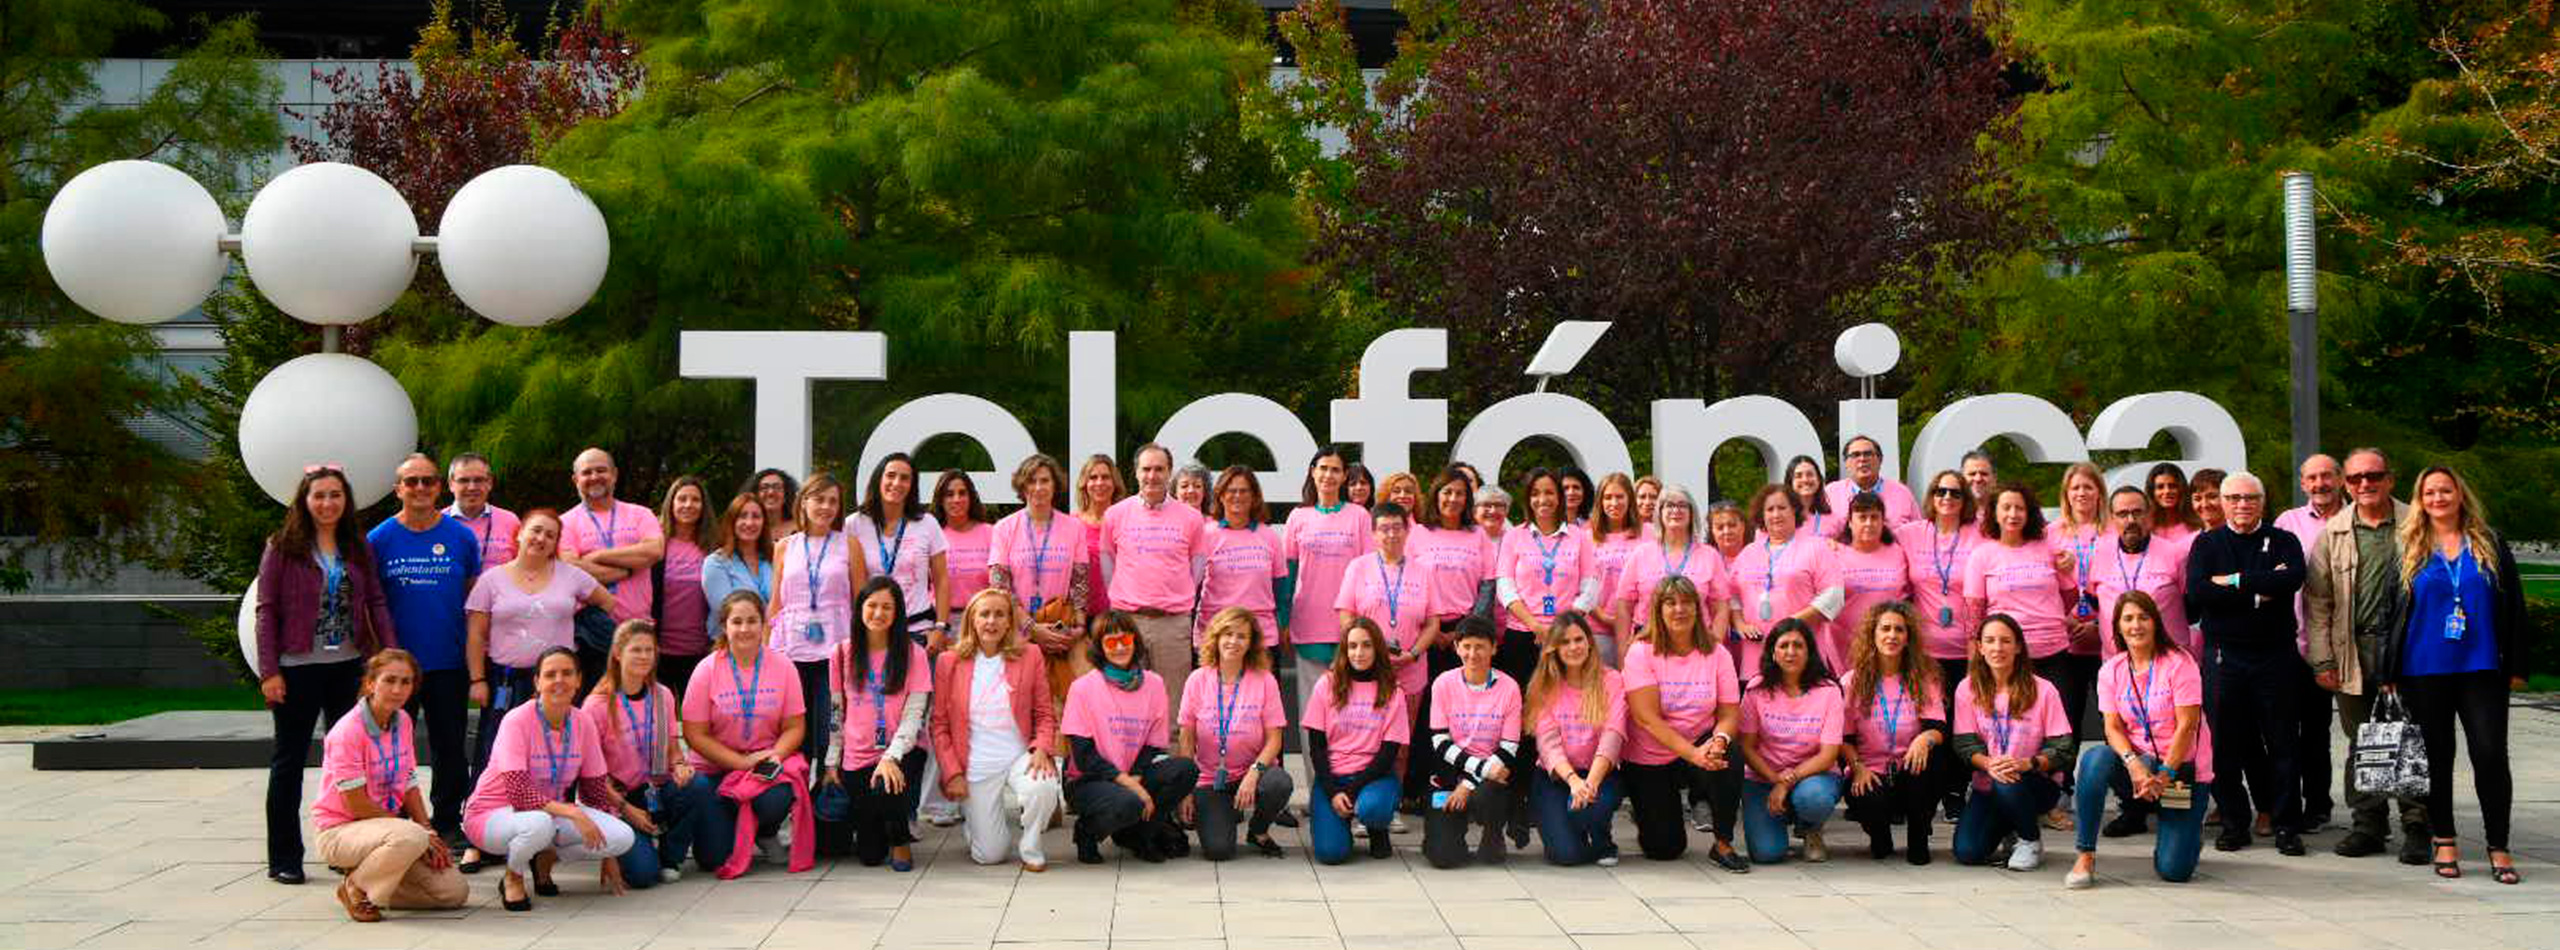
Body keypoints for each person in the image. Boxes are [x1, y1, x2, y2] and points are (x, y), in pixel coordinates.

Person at [2377, 466, 2528, 885]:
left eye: (2446, 490)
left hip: (2481, 668)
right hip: (2422, 670)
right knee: (2436, 760)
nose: (2438, 498)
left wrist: (2517, 665)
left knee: (2490, 755)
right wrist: (2385, 671)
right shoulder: (2407, 545)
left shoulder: (2489, 542)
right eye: (2430, 493)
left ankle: (2499, 845)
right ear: (2420, 499)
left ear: (2460, 495)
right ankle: (2444, 839)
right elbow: (2389, 612)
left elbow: (2514, 605)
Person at [259, 465, 401, 885]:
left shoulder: (356, 546)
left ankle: (348, 848)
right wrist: (270, 671)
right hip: (297, 669)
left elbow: (375, 600)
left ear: (346, 500)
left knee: (352, 763)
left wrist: (390, 655)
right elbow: (267, 610)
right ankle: (284, 857)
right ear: (304, 500)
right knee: (289, 762)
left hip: (349, 669)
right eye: (319, 495)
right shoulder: (282, 546)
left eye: (335, 495)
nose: (327, 503)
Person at [460, 509, 613, 873]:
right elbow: (476, 634)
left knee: (557, 762)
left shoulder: (571, 575)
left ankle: (547, 840)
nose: (541, 538)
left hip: (556, 682)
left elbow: (607, 603)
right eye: (535, 531)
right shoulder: (492, 579)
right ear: (519, 535)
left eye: (549, 535)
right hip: (507, 681)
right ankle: (478, 842)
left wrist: (583, 635)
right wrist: (477, 679)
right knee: (491, 760)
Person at [2305, 448, 2431, 862]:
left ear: (2390, 479)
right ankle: (2368, 825)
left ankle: (2417, 825)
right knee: (2364, 741)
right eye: (2356, 478)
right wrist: (2322, 661)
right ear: (2346, 483)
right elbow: (2318, 602)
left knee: (2411, 740)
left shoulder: (2418, 523)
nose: (2365, 484)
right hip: (2353, 650)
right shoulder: (2335, 531)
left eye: (2373, 476)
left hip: (2410, 652)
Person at [2185, 471, 2310, 856]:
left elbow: (2291, 579)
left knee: (2283, 741)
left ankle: (2287, 823)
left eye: (2250, 498)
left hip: (2276, 654)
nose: (2242, 505)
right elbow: (2200, 590)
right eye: (2234, 498)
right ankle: (2235, 822)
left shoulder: (2284, 540)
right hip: (2225, 656)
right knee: (2224, 743)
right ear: (2222, 503)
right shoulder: (2206, 544)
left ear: (2262, 501)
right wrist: (2257, 589)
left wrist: (2233, 582)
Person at [367, 454, 482, 854]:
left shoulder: (462, 538)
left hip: (448, 662)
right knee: (391, 749)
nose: (419, 489)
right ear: (397, 488)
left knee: (449, 747)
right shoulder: (378, 539)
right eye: (411, 481)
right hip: (396, 671)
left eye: (428, 482)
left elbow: (471, 596)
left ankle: (448, 822)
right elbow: (369, 602)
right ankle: (393, 823)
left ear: (439, 487)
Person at [463, 647, 635, 911]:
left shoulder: (582, 721)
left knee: (622, 837)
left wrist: (607, 854)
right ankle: (513, 875)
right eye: (550, 674)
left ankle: (547, 857)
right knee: (539, 824)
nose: (559, 680)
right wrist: (572, 812)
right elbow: (519, 792)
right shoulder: (516, 720)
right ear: (537, 682)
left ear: (579, 680)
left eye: (567, 673)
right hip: (492, 815)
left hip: (547, 813)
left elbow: (595, 790)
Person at [2067, 592, 2211, 887]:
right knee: (2095, 759)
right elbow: (2112, 728)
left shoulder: (2180, 663)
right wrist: (2133, 765)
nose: (2136, 625)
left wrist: (2164, 774)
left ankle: (2186, 834)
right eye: (2128, 619)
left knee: (2174, 871)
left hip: (2178, 770)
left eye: (2143, 617)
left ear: (2156, 623)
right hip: (2138, 767)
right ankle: (2085, 854)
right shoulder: (2112, 669)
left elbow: (2187, 726)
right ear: (2117, 627)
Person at [313, 649, 468, 920]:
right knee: (411, 837)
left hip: (387, 829)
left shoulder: (403, 721)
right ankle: (356, 889)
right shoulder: (348, 731)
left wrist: (428, 831)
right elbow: (357, 803)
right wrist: (417, 833)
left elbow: (408, 781)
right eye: (389, 680)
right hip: (340, 831)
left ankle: (373, 884)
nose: (398, 689)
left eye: (406, 682)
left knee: (454, 892)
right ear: (371, 683)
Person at [2083, 487, 2192, 840]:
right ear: (2111, 518)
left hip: (2168, 666)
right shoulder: (2098, 554)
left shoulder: (2173, 554)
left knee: (2172, 732)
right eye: (2122, 513)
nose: (2130, 520)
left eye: (2137, 512)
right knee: (2121, 739)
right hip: (2121, 668)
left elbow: (2193, 604)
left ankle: (2170, 795)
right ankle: (2134, 807)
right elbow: (2091, 600)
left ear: (2149, 515)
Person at [932, 589, 1066, 871]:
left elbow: (1044, 713)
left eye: (999, 614)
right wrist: (953, 773)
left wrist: (1042, 747)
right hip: (976, 763)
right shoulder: (949, 662)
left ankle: (1031, 845)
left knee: (1043, 786)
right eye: (984, 614)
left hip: (1019, 755)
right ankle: (977, 824)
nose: (991, 621)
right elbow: (940, 725)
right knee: (990, 855)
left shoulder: (1030, 655)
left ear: (1009, 622)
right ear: (972, 620)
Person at [1620, 576, 1747, 870]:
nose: (1680, 609)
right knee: (1665, 848)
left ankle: (1723, 842)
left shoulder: (1717, 653)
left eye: (1687, 602)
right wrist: (1694, 754)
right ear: (1657, 610)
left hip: (1699, 746)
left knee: (1730, 754)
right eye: (1671, 602)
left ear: (1698, 608)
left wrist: (1719, 741)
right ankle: (1647, 809)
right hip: (1651, 755)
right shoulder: (1641, 652)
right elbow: (1646, 718)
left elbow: (1729, 713)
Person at [680, 591, 810, 875]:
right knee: (713, 859)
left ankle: (765, 832)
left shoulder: (783, 666)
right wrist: (739, 763)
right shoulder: (707, 669)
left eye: (752, 621)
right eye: (736, 621)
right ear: (724, 626)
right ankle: (722, 827)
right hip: (716, 770)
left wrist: (774, 756)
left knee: (774, 799)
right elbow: (694, 733)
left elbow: (794, 727)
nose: (744, 629)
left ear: (763, 624)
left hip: (762, 765)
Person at [1062, 611, 1199, 863]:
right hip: (1089, 779)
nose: (1120, 647)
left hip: (1132, 772)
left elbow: (1153, 745)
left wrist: (1135, 777)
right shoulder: (1082, 688)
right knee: (1129, 802)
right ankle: (1088, 832)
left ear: (1135, 641)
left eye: (1125, 639)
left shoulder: (1154, 683)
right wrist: (1133, 786)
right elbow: (1084, 756)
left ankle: (1139, 835)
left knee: (1185, 769)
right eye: (1111, 642)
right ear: (1099, 648)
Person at [770, 470, 865, 829]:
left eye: (832, 501)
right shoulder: (785, 546)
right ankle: (793, 816)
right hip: (790, 653)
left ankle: (828, 819)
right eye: (818, 499)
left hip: (834, 655)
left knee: (830, 738)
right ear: (803, 502)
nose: (825, 507)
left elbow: (860, 603)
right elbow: (776, 605)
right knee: (796, 738)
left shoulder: (848, 544)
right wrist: (765, 651)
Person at [823, 577, 933, 870]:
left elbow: (914, 716)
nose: (878, 613)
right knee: (870, 856)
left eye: (887, 607)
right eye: (872, 605)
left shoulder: (914, 654)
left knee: (888, 782)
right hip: (856, 756)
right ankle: (883, 828)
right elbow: (836, 712)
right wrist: (831, 762)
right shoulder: (842, 653)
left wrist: (890, 756)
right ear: (860, 609)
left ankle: (900, 841)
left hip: (902, 751)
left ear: (898, 613)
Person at [1951, 614, 2074, 870]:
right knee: (1968, 852)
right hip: (1988, 783)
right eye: (1990, 641)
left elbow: (2064, 747)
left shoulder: (2043, 689)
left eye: (2006, 641)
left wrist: (2026, 764)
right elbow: (1964, 745)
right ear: (1980, 647)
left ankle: (2030, 839)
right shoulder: (1967, 689)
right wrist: (1990, 764)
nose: (1998, 648)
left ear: (2018, 647)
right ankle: (2014, 824)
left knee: (2007, 782)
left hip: (2034, 782)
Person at [583, 621, 698, 888]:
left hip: (655, 786)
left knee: (696, 785)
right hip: (619, 797)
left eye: (650, 650)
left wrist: (679, 765)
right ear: (618, 654)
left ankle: (671, 857)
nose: (644, 656)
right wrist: (626, 809)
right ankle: (636, 845)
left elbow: (672, 748)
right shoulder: (597, 705)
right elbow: (592, 777)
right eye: (636, 650)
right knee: (643, 876)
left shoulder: (663, 696)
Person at [1408, 468, 1494, 810]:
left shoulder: (1479, 536)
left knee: (1463, 713)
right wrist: (1434, 632)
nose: (1453, 499)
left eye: (1460, 493)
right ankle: (1416, 788)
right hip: (1426, 630)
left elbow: (1488, 585)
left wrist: (1462, 633)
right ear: (1436, 495)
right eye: (1447, 492)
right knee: (1426, 713)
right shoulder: (1418, 534)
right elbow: (1408, 580)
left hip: (1466, 634)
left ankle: (1462, 783)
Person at [1177, 608, 1293, 860]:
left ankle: (1258, 831)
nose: (1233, 641)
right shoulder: (1197, 680)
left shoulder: (1265, 680)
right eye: (1227, 634)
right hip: (1210, 778)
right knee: (1219, 851)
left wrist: (1254, 773)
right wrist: (1185, 791)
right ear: (1216, 638)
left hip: (1252, 772)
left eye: (1242, 636)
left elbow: (1275, 739)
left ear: (1251, 643)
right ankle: (1225, 813)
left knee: (1279, 783)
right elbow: (1186, 739)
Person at [1101, 444, 1209, 712]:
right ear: (1136, 473)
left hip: (1172, 625)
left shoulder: (1191, 518)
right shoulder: (1115, 515)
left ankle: (1173, 755)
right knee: (1125, 703)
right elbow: (1108, 568)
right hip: (1128, 622)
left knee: (1174, 706)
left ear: (1169, 473)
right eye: (1146, 469)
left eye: (1159, 469)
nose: (1152, 476)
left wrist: (1172, 595)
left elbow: (1195, 570)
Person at [1839, 602, 1944, 864]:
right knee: (1867, 796)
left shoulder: (1924, 677)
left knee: (1929, 764)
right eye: (1885, 628)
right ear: (1872, 635)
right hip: (1869, 769)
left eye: (1899, 630)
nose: (1892, 635)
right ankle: (1878, 833)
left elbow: (1938, 727)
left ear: (1908, 638)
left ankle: (1918, 840)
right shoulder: (1852, 681)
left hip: (1910, 765)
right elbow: (1844, 739)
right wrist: (1857, 766)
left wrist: (1924, 738)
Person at [2274, 453, 2346, 833]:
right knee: (2307, 731)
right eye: (2312, 478)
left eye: (2327, 476)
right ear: (2303, 484)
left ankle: (2372, 810)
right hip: (2301, 644)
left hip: (2351, 645)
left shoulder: (2356, 520)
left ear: (2340, 479)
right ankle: (2315, 804)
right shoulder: (2288, 522)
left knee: (2361, 731)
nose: (2320, 484)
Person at [1736, 619, 1845, 865]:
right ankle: (1777, 821)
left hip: (1814, 776)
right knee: (1767, 854)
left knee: (1813, 799)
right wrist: (1775, 779)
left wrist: (1786, 782)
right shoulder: (1756, 688)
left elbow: (1828, 755)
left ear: (1809, 652)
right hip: (1764, 777)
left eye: (1798, 645)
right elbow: (1747, 746)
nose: (1791, 652)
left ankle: (1810, 827)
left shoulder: (1828, 690)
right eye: (1783, 645)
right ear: (1773, 652)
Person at [1962, 482, 2080, 709]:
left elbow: (2070, 595)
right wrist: (1975, 666)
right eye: (2006, 507)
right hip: (2006, 658)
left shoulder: (2047, 547)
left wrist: (2046, 615)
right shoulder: (1982, 555)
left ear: (2029, 513)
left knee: (2062, 728)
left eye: (2020, 508)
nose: (2013, 514)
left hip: (2053, 653)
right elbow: (1973, 617)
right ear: (1994, 513)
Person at [1304, 619, 1410, 864]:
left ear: (1377, 650)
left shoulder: (1392, 690)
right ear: (1344, 649)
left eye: (1366, 645)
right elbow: (1317, 748)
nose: (1358, 653)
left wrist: (1351, 792)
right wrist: (1333, 792)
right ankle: (1340, 828)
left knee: (1373, 808)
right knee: (1331, 854)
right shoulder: (1326, 685)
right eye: (1352, 646)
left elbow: (1388, 754)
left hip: (1375, 777)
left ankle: (1376, 828)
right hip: (1333, 778)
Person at [557, 449, 664, 688]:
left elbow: (653, 551)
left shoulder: (640, 514)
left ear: (614, 475)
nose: (595, 476)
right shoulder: (565, 522)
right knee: (593, 707)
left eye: (601, 470)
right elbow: (572, 570)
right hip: (590, 633)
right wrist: (627, 568)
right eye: (587, 472)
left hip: (639, 630)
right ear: (576, 480)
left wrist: (596, 556)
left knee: (637, 706)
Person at [1527, 612, 1627, 866]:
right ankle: (1573, 832)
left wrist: (1590, 784)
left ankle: (1601, 838)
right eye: (1565, 642)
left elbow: (1612, 735)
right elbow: (1549, 746)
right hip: (1557, 776)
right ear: (1554, 649)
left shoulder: (1612, 680)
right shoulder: (1545, 685)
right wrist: (1573, 782)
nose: (1573, 647)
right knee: (1565, 855)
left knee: (1588, 810)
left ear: (1590, 642)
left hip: (1600, 775)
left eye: (1579, 639)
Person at [1423, 616, 1524, 868]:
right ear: (1456, 647)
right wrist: (1473, 774)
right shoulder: (1443, 684)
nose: (1472, 653)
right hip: (1452, 771)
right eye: (1466, 646)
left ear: (1494, 648)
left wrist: (1468, 785)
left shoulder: (1509, 687)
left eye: (1480, 646)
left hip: (1493, 777)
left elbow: (1510, 746)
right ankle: (1449, 834)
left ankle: (1493, 835)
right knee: (1443, 857)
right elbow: (1440, 741)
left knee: (1488, 794)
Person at [988, 454, 1093, 694]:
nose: (1038, 487)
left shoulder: (1073, 527)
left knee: (1064, 704)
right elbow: (999, 587)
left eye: (1045, 480)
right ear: (1022, 486)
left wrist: (1078, 626)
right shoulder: (1004, 528)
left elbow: (1080, 582)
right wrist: (1031, 628)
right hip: (1016, 632)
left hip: (1061, 633)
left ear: (1055, 485)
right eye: (1031, 481)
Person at [1287, 445, 1374, 718]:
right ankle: (1315, 763)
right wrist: (1283, 621)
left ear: (1344, 475)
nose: (1328, 475)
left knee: (1349, 708)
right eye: (1323, 468)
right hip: (1308, 624)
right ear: (1313, 472)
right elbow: (1288, 575)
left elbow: (1369, 574)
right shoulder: (1298, 517)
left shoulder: (1359, 516)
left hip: (1350, 627)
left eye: (1335, 469)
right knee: (1311, 710)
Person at [1730, 484, 1845, 677]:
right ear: (1762, 516)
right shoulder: (1749, 552)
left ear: (1795, 510)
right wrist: (1740, 624)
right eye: (1770, 509)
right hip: (1756, 653)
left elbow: (1833, 595)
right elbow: (1732, 596)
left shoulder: (1816, 547)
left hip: (1800, 649)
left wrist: (1792, 623)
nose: (1776, 514)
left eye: (1782, 508)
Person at [1498, 468, 1598, 688]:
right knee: (1525, 702)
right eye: (1535, 493)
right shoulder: (1514, 536)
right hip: (1523, 634)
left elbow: (1590, 588)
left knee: (1565, 699)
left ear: (1559, 497)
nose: (1542, 499)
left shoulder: (1580, 537)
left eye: (1549, 492)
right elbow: (1505, 587)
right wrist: (1536, 626)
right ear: (1527, 498)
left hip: (1568, 635)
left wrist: (1561, 627)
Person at [1337, 502, 1444, 706]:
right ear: (1374, 534)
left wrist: (1412, 655)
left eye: (1397, 528)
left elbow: (1433, 623)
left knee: (1405, 734)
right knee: (1369, 729)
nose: (1392, 534)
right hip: (1367, 665)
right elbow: (1346, 615)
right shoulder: (1358, 567)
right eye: (1384, 529)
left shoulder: (1423, 571)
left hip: (1410, 668)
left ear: (1407, 531)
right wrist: (1368, 651)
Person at [1610, 484, 1734, 657]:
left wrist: (1715, 645)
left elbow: (1721, 607)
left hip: (1696, 646)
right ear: (1659, 513)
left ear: (1692, 513)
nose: (1676, 510)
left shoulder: (1709, 555)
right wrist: (1623, 651)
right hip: (1648, 645)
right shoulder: (1641, 554)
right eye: (1669, 505)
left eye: (1682, 505)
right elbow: (1624, 606)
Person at [852, 453, 951, 648]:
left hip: (918, 632)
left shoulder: (927, 523)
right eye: (890, 475)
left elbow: (942, 579)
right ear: (878, 479)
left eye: (905, 478)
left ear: (912, 486)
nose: (896, 483)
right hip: (873, 632)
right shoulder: (854, 524)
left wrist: (940, 627)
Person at [1904, 470, 1982, 704]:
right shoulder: (1910, 534)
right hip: (1925, 653)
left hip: (1970, 652)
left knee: (1964, 726)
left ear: (1965, 499)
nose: (1947, 497)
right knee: (1932, 723)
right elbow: (1871, 539)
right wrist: (1835, 545)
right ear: (1932, 496)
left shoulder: (1982, 533)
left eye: (1955, 493)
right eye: (1941, 491)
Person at [1196, 465, 1289, 655]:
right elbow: (1193, 585)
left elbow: (1281, 592)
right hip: (1216, 634)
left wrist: (1284, 626)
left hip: (1261, 636)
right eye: (1231, 490)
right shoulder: (1205, 535)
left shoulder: (1269, 536)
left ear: (1254, 496)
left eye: (1244, 490)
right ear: (1220, 495)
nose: (1237, 495)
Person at [698, 493, 776, 696]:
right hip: (731, 652)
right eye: (742, 516)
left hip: (773, 652)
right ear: (732, 521)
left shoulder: (776, 557)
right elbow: (727, 613)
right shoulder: (716, 563)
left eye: (756, 516)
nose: (749, 522)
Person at [2053, 463, 2111, 733]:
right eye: (2075, 487)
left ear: (2099, 492)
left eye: (2088, 487)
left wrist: (2098, 626)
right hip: (2066, 641)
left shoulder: (2115, 531)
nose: (2081, 493)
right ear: (2066, 494)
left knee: (2113, 720)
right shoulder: (2050, 533)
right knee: (2066, 721)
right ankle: (2064, 777)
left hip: (2106, 640)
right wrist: (2067, 621)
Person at [1830, 493, 1909, 670]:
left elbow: (1907, 597)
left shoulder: (1897, 552)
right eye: (1862, 517)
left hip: (1888, 647)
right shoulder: (1833, 553)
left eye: (1874, 517)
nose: (1868, 523)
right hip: (1844, 647)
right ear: (1850, 522)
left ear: (1883, 522)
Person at [653, 477, 713, 701]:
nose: (688, 505)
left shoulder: (713, 545)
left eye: (695, 499)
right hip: (658, 652)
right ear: (671, 503)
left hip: (701, 651)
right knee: (660, 724)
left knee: (697, 723)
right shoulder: (655, 543)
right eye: (682, 498)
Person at [1585, 473, 1647, 664]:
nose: (1614, 502)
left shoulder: (1648, 534)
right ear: (1600, 502)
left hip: (1639, 629)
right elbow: (1580, 583)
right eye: (1608, 497)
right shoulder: (1587, 538)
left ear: (1630, 499)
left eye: (1620, 497)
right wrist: (1602, 615)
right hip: (1598, 628)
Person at [936, 469, 995, 620]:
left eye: (962, 493)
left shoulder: (990, 533)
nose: (956, 499)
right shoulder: (933, 535)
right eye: (949, 494)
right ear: (940, 500)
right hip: (942, 621)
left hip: (983, 619)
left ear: (971, 498)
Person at [1823, 435, 1919, 526]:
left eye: (1868, 454)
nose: (1862, 459)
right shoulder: (1831, 494)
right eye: (1855, 455)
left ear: (1880, 460)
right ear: (1846, 463)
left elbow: (1918, 533)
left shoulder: (1902, 493)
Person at [446, 452, 520, 567]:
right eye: (464, 480)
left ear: (489, 483)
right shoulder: (434, 523)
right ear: (451, 484)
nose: (472, 487)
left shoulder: (510, 522)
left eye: (479, 480)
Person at [1076, 453, 1124, 618]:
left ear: (1114, 483)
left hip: (1118, 616)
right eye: (1093, 477)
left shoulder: (1126, 522)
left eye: (1105, 477)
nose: (1099, 483)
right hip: (1079, 616)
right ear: (1084, 484)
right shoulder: (1072, 524)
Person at [2144, 462, 2200, 547]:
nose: (2167, 491)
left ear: (2181, 489)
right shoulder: (2144, 527)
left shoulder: (2198, 525)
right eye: (2160, 487)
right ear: (2152, 492)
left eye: (2172, 486)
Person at [1784, 455, 1834, 540]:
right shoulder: (1779, 517)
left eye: (1810, 474)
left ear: (1818, 480)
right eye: (1798, 476)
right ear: (1790, 482)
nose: (1805, 480)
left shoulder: (1834, 520)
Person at [747, 468, 800, 540]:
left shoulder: (800, 529)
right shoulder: (747, 528)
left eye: (777, 487)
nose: (771, 492)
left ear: (787, 494)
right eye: (764, 488)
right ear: (755, 494)